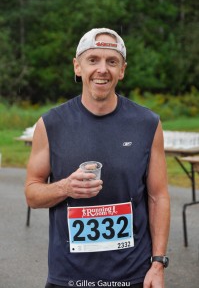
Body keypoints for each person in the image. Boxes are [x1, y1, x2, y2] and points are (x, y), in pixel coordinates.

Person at [25, 28, 170, 288]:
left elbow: (158, 197)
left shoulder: (147, 123)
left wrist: (158, 263)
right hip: (68, 276)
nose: (102, 69)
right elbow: (32, 194)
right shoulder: (50, 124)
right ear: (77, 66)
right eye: (93, 60)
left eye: (111, 61)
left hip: (132, 275)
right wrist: (66, 187)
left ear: (122, 70)